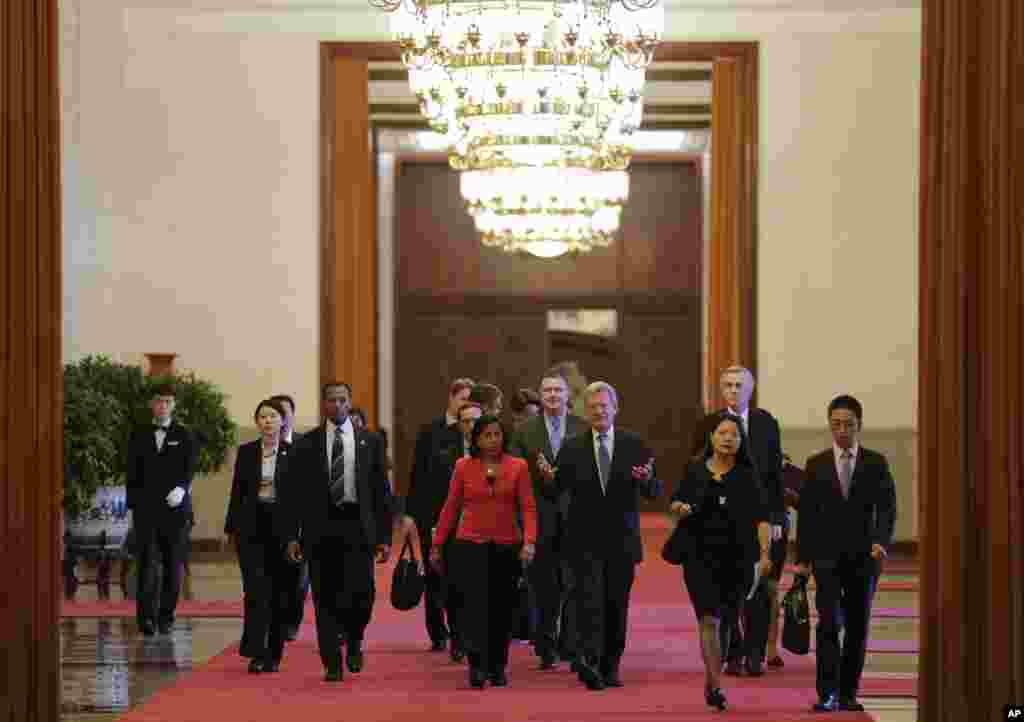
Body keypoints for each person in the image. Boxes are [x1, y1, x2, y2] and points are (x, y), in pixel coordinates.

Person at [538, 381, 661, 690]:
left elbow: (655, 491)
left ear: (615, 409)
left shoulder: (634, 444)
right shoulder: (572, 446)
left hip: (622, 541)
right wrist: (547, 479)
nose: (599, 412)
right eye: (593, 407)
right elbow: (555, 492)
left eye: (604, 406)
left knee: (616, 604)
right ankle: (590, 662)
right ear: (585, 412)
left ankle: (611, 666)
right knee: (588, 603)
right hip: (583, 541)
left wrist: (647, 481)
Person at [279, 382, 393, 683]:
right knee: (325, 597)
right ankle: (331, 661)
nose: (337, 405)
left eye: (343, 400)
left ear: (350, 402)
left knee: (363, 594)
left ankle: (354, 639)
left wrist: (384, 537)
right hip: (321, 528)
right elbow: (293, 496)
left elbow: (382, 492)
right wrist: (292, 535)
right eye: (331, 400)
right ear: (324, 404)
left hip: (359, 527)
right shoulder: (307, 444)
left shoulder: (370, 441)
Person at [795, 395, 897, 713]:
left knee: (857, 625)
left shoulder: (876, 463)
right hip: (826, 556)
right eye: (836, 424)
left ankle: (849, 692)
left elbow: (888, 507)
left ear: (859, 426)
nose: (842, 430)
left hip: (864, 556)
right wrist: (802, 560)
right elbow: (808, 514)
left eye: (848, 425)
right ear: (829, 425)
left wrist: (882, 541)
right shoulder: (816, 464)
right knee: (828, 623)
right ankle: (827, 693)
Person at [670, 413, 772, 711]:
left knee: (727, 619)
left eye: (735, 435)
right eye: (723, 433)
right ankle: (714, 683)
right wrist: (680, 507)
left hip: (738, 558)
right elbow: (676, 501)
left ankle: (713, 677)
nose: (729, 438)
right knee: (708, 619)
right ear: (712, 437)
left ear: (741, 442)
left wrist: (765, 555)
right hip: (699, 556)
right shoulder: (694, 469)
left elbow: (762, 518)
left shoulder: (748, 476)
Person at [431, 414, 537, 689]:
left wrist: (529, 541)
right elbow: (451, 506)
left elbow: (528, 507)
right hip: (470, 546)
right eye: (487, 435)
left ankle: (498, 666)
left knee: (502, 609)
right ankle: (477, 666)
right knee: (474, 608)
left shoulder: (519, 467)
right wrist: (438, 543)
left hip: (507, 546)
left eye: (497, 434)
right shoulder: (463, 466)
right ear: (476, 439)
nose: (493, 440)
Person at [691, 365, 784, 676]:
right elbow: (696, 470)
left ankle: (756, 653)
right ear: (721, 390)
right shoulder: (708, 424)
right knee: (729, 592)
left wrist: (775, 516)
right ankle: (733, 652)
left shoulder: (766, 423)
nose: (733, 390)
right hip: (722, 520)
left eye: (739, 385)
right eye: (728, 385)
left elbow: (774, 474)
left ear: (751, 389)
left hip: (760, 517)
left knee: (760, 588)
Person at [511, 371, 587, 670]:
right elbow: (515, 472)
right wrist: (539, 476)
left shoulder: (582, 427)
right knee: (542, 584)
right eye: (548, 391)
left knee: (574, 581)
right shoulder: (525, 430)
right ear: (541, 397)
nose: (553, 395)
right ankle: (544, 644)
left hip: (575, 514)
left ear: (568, 396)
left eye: (558, 390)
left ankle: (569, 642)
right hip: (539, 514)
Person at [402, 378, 475, 657]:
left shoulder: (474, 434)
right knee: (434, 575)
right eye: (462, 399)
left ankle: (460, 634)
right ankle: (437, 631)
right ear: (451, 398)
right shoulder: (431, 431)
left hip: (465, 519)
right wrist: (410, 514)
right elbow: (417, 476)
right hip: (431, 515)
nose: (465, 406)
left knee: (458, 579)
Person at [224, 399, 296, 673]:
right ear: (257, 422)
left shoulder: (295, 451)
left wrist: (299, 533)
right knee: (255, 591)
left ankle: (274, 652)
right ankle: (256, 652)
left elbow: (302, 497)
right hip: (251, 527)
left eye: (273, 417)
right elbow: (237, 491)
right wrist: (231, 528)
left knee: (280, 592)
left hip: (282, 529)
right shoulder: (246, 452)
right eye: (262, 417)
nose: (267, 421)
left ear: (282, 421)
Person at [126, 384, 198, 637]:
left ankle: (166, 616)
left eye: (167, 401)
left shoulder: (185, 434)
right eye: (158, 401)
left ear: (173, 405)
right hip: (146, 509)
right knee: (146, 563)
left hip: (175, 509)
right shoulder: (138, 433)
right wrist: (132, 506)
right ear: (151, 404)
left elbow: (189, 468)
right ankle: (145, 619)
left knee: (172, 563)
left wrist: (182, 488)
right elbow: (132, 472)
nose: (163, 406)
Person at [269, 393, 307, 642]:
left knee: (296, 580)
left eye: (284, 413)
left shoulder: (305, 445)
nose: (280, 419)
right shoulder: (262, 446)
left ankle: (291, 622)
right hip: (269, 522)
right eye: (275, 414)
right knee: (272, 579)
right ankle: (273, 624)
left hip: (299, 524)